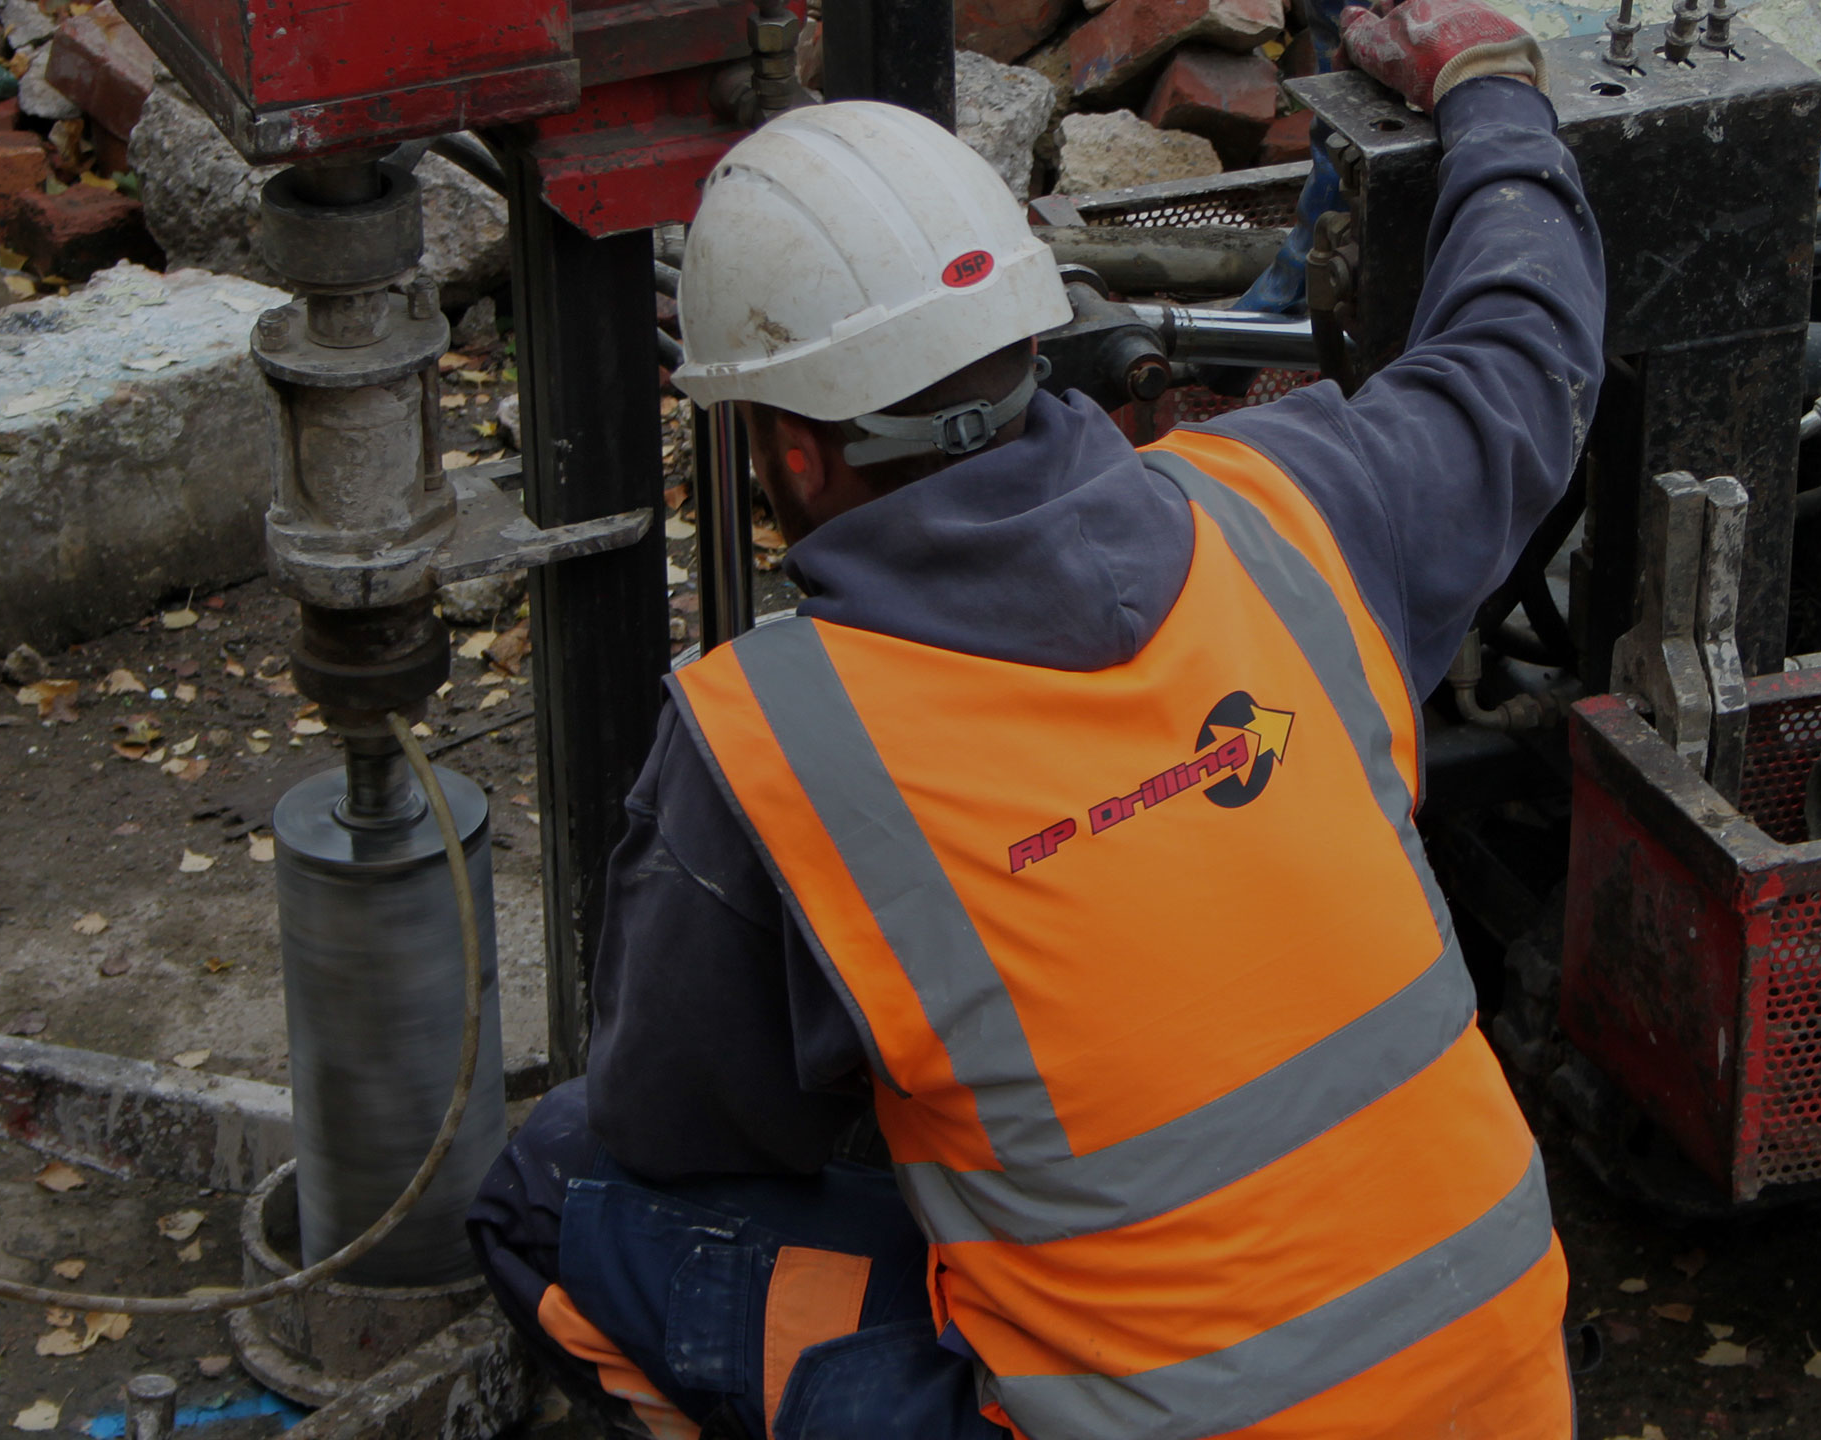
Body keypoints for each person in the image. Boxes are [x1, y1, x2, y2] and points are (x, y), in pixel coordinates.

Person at [467, 0, 1606, 1431]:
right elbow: (1521, 359)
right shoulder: (1294, 511)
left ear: (795, 456)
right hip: (1503, 1389)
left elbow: (677, 1125)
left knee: (556, 1186)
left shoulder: (776, 741)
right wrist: (1492, 89)